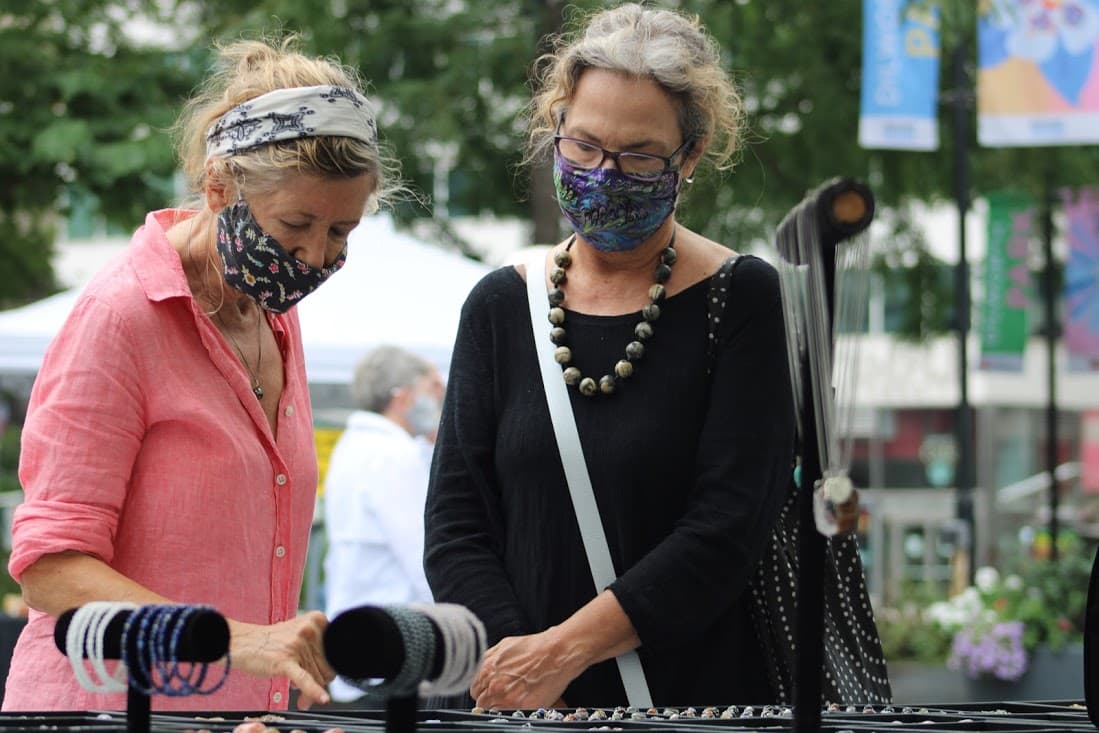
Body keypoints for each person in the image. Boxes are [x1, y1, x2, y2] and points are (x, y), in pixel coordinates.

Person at [3, 37, 398, 711]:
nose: (312, 256)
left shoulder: (273, 315)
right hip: (103, 712)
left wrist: (276, 671)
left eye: (340, 233)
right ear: (218, 187)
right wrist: (236, 640)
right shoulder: (121, 316)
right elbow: (49, 568)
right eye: (296, 224)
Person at [423, 3, 796, 709]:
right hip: (522, 708)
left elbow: (725, 529)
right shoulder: (501, 305)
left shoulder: (742, 298)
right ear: (554, 126)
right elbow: (455, 523)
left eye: (639, 156)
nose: (604, 174)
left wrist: (565, 650)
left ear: (690, 153)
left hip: (693, 705)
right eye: (584, 146)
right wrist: (526, 670)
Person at [323, 345, 443, 703]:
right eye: (430, 390)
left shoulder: (356, 444)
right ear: (402, 398)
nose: (438, 401)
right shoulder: (393, 455)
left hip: (361, 640)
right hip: (396, 648)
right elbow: (426, 559)